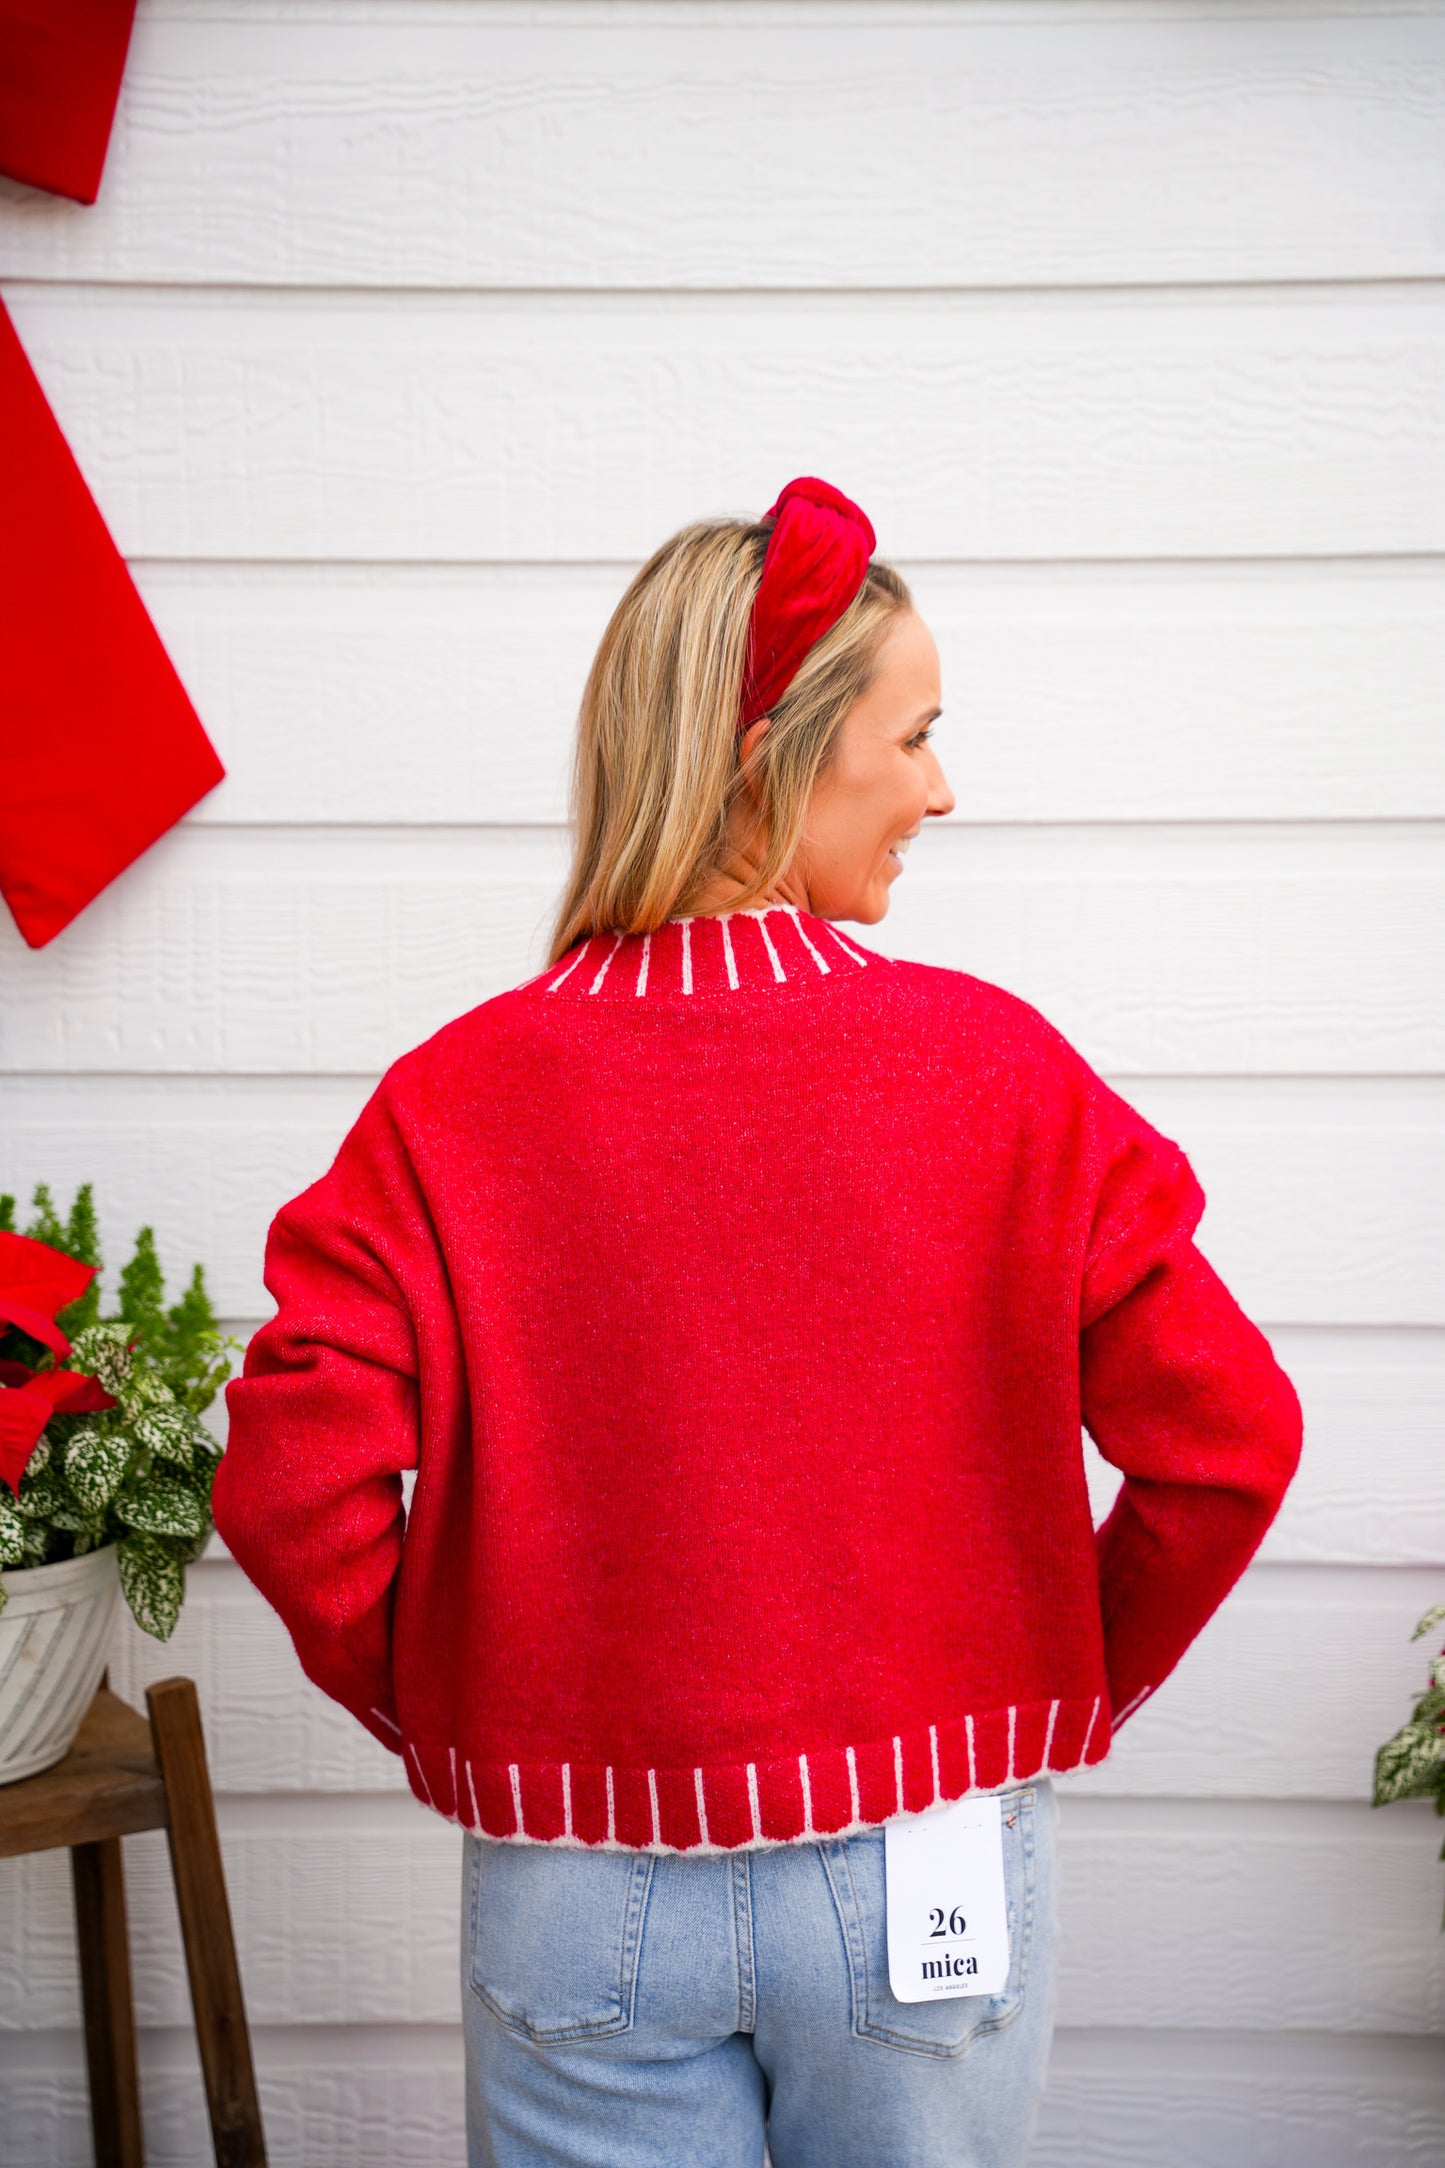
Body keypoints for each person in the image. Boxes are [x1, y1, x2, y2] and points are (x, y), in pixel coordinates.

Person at [213, 477, 1304, 2168]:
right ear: (772, 756)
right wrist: (1052, 1680)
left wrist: (458, 1702)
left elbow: (292, 1484)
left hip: (576, 1877)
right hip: (928, 1847)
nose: (940, 789)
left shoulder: (456, 1102)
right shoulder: (999, 1076)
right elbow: (1226, 1441)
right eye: (916, 736)